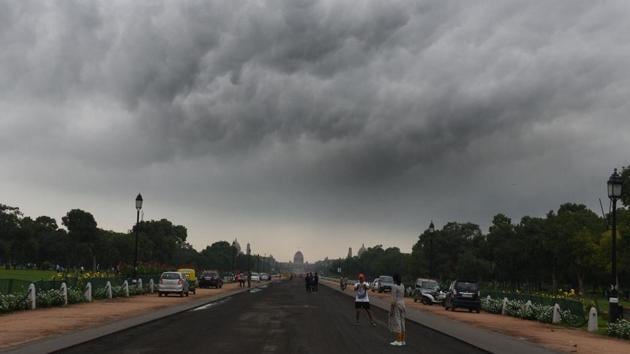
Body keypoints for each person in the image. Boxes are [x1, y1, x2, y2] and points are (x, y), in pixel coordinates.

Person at [388, 273, 406, 346]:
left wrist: (391, 310)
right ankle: (403, 340)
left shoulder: (394, 286)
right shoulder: (402, 285)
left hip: (397, 305)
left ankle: (398, 340)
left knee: (397, 321)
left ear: (394, 279)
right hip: (403, 304)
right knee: (402, 322)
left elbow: (393, 300)